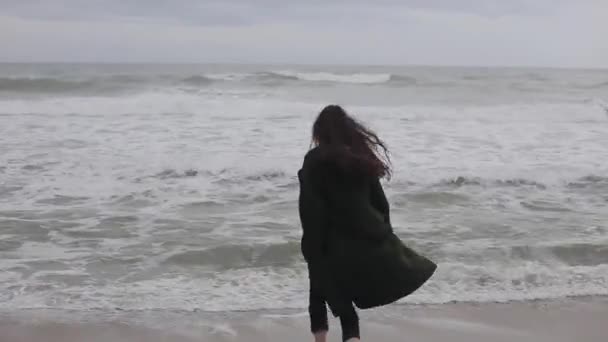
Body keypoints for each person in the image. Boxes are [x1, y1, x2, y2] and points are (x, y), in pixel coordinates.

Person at [298, 105, 436, 342]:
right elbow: (381, 205)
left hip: (331, 245)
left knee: (320, 291)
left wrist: (311, 247)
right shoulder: (360, 160)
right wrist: (384, 235)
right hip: (365, 241)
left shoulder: (314, 161)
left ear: (319, 132)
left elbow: (311, 210)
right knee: (347, 305)